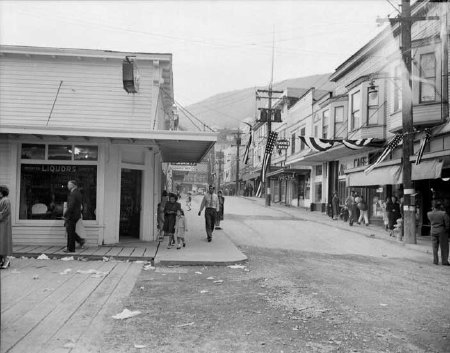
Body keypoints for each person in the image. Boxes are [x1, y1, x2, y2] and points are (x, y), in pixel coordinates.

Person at [63, 180, 85, 253]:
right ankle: (79, 241)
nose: (67, 186)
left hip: (72, 215)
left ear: (73, 185)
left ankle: (71, 248)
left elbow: (71, 206)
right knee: (70, 231)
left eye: (69, 184)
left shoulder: (73, 193)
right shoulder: (78, 193)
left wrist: (66, 214)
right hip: (76, 215)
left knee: (70, 232)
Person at [427, 200, 450, 266]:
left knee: (434, 247)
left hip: (433, 231)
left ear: (433, 206)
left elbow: (431, 221)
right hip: (442, 231)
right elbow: (448, 224)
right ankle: (444, 261)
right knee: (444, 247)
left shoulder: (429, 213)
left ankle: (435, 261)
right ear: (440, 206)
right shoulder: (444, 213)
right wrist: (446, 230)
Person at [0, 185, 12, 269]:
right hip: (2, 223)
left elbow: (5, 212)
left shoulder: (5, 200)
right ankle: (3, 260)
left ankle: (6, 259)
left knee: (3, 241)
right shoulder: (3, 200)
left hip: (3, 224)